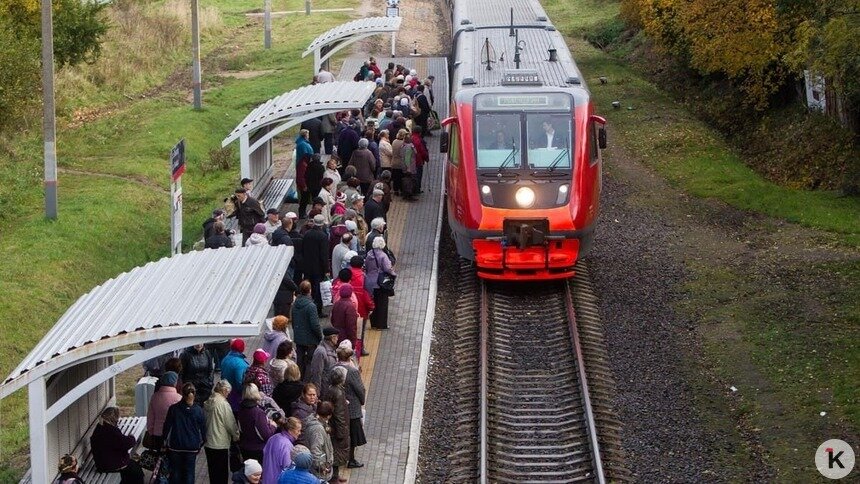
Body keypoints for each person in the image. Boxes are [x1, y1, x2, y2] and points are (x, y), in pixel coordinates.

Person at [163, 383, 206, 484]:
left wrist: (164, 440)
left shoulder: (173, 409)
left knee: (176, 472)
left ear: (182, 393)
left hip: (176, 445)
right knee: (190, 472)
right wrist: (203, 441)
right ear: (194, 394)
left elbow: (167, 426)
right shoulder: (198, 410)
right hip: (192, 446)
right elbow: (203, 428)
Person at [90, 407, 145, 484]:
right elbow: (127, 443)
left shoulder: (100, 427)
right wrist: (132, 437)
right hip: (111, 465)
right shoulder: (111, 431)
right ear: (114, 418)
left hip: (101, 463)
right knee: (136, 471)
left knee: (132, 466)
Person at [334, 347, 366, 469]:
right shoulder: (352, 371)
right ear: (349, 357)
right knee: (353, 435)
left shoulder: (334, 368)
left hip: (339, 407)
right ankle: (351, 459)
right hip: (352, 408)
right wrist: (362, 401)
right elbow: (360, 389)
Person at [204, 380, 240, 484]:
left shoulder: (209, 400)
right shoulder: (223, 404)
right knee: (222, 473)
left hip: (209, 442)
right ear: (224, 390)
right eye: (228, 392)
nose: (228, 395)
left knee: (213, 472)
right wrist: (236, 435)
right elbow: (230, 423)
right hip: (220, 443)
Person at [322, 367, 350, 483]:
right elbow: (339, 415)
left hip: (333, 427)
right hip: (337, 428)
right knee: (336, 453)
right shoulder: (338, 392)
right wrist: (341, 432)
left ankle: (336, 476)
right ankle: (334, 478)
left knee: (335, 452)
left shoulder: (331, 389)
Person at [237, 383, 276, 464]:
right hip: (258, 449)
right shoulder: (258, 412)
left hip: (245, 447)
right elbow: (266, 435)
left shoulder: (241, 408)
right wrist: (273, 426)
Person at [292, 281, 322, 377]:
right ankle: (308, 381)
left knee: (299, 360)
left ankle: (298, 378)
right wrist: (320, 335)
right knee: (310, 361)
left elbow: (293, 321)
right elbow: (315, 324)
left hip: (299, 337)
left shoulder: (295, 304)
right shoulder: (311, 306)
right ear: (310, 290)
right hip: (310, 339)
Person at [145, 371, 182, 450]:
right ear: (175, 382)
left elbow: (150, 417)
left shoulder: (155, 397)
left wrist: (151, 432)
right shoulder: (179, 398)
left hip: (157, 433)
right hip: (174, 434)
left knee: (159, 459)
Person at [365, 236, 396, 330]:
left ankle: (373, 324)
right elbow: (387, 268)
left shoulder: (369, 254)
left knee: (373, 303)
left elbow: (366, 266)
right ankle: (381, 325)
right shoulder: (383, 255)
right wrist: (393, 274)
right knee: (382, 304)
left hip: (370, 282)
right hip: (380, 282)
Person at [301, 216, 329, 316]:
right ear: (322, 224)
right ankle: (318, 310)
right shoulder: (323, 236)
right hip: (318, 268)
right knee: (318, 289)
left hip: (307, 266)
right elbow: (324, 254)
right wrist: (326, 268)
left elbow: (303, 249)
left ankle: (307, 307)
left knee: (307, 288)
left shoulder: (307, 234)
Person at [300, 401, 334, 482]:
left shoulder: (318, 422)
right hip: (318, 472)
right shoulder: (317, 429)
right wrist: (322, 467)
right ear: (329, 416)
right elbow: (316, 450)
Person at [262, 417, 302, 484]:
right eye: (298, 430)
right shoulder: (287, 445)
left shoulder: (273, 438)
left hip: (266, 478)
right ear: (290, 430)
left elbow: (264, 452)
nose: (300, 433)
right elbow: (288, 468)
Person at [307, 326, 339, 394]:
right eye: (336, 337)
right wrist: (317, 392)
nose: (337, 339)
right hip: (324, 388)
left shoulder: (332, 348)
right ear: (332, 338)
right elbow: (317, 372)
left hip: (329, 386)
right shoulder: (320, 352)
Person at [221, 339, 250, 404]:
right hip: (235, 396)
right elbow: (239, 382)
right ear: (242, 349)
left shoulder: (225, 358)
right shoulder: (241, 364)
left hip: (225, 391)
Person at [411, 125, 429, 193]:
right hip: (418, 161)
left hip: (411, 161)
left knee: (413, 175)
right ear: (420, 132)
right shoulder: (419, 140)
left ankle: (413, 189)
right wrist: (426, 157)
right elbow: (422, 151)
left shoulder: (411, 138)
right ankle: (417, 189)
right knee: (418, 175)